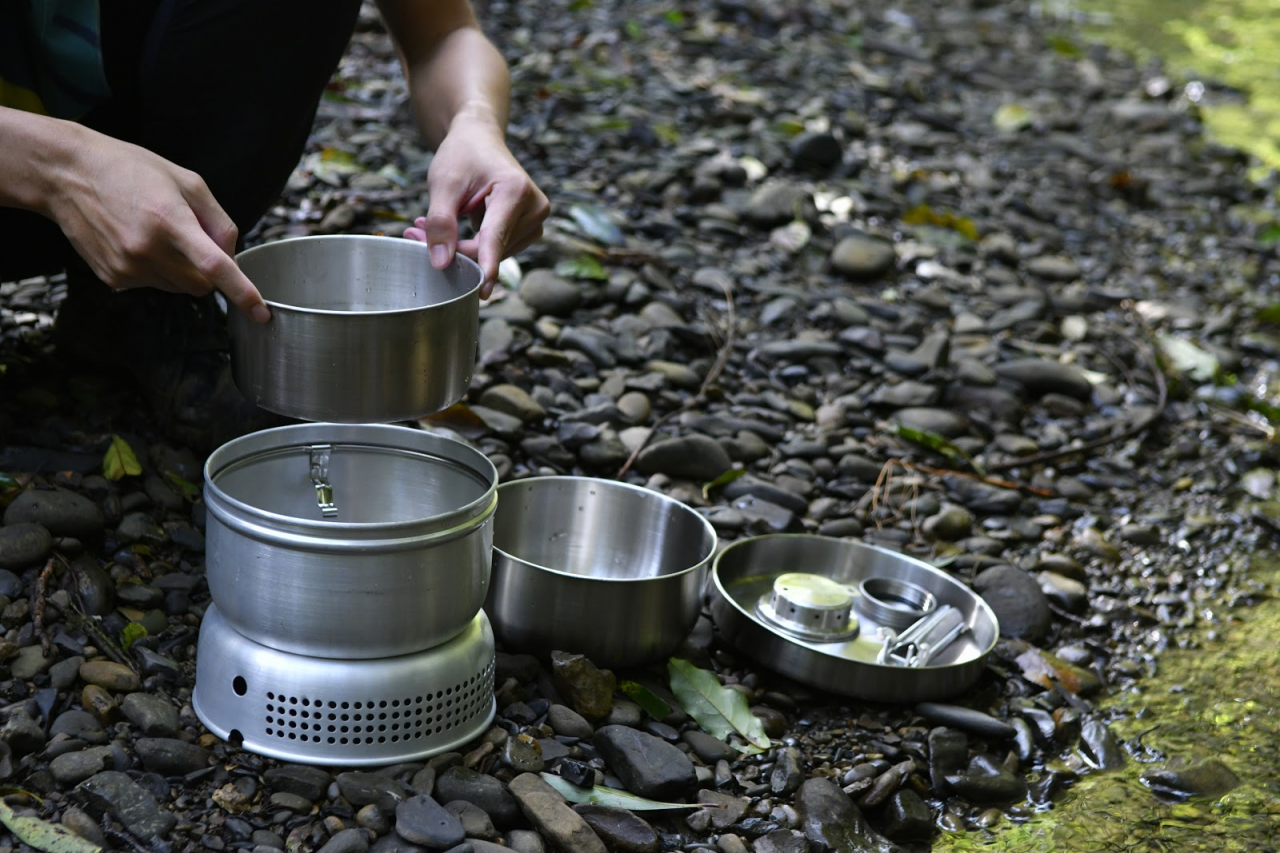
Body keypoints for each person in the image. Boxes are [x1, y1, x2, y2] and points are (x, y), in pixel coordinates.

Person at [0, 0, 550, 450]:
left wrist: (475, 123)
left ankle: (141, 301)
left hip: (150, 187)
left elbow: (444, 33)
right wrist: (60, 169)